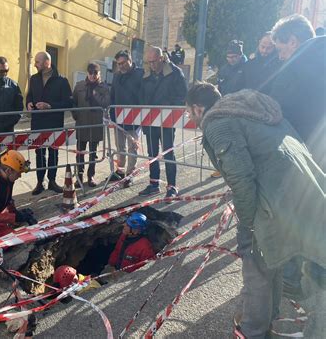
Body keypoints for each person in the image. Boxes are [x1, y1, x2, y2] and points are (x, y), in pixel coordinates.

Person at [185, 83, 325, 339]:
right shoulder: (248, 110)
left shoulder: (218, 123)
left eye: (189, 113)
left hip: (277, 202)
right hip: (305, 195)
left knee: (254, 260)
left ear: (197, 107)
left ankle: (253, 331)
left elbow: (241, 178)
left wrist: (247, 223)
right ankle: (265, 321)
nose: (190, 118)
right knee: (274, 261)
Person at [269, 14, 326, 301]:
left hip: (309, 154)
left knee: (298, 215)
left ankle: (297, 282)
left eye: (281, 49)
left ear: (293, 40)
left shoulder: (300, 63)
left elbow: (278, 109)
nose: (280, 56)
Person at [139, 46, 187, 198]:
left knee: (168, 152)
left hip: (167, 121)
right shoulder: (147, 74)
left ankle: (171, 186)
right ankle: (154, 184)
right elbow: (142, 96)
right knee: (152, 153)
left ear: (161, 58)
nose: (151, 65)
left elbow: (182, 96)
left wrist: (169, 111)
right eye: (149, 62)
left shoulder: (175, 73)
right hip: (150, 121)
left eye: (154, 61)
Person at [26, 52, 73, 195]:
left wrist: (50, 106)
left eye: (38, 62)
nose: (35, 64)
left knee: (53, 152)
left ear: (47, 62)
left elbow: (69, 103)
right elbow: (29, 95)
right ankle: (40, 182)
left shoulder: (61, 80)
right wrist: (28, 103)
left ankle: (52, 181)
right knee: (39, 153)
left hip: (54, 122)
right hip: (38, 123)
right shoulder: (33, 79)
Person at [109, 50, 144, 187]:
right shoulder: (117, 76)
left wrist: (142, 117)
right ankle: (120, 171)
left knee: (132, 147)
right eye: (119, 64)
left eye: (123, 63)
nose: (121, 66)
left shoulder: (140, 74)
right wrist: (112, 115)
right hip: (118, 118)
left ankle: (130, 175)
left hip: (135, 119)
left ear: (130, 60)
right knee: (120, 147)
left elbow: (143, 95)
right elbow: (113, 95)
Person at [72, 63, 110, 187]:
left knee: (93, 153)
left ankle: (90, 176)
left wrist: (96, 94)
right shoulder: (79, 86)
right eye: (90, 73)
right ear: (87, 73)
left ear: (99, 74)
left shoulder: (103, 88)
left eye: (95, 73)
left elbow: (106, 103)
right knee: (80, 152)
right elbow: (73, 102)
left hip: (95, 123)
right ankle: (79, 175)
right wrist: (76, 115)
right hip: (82, 122)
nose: (93, 76)